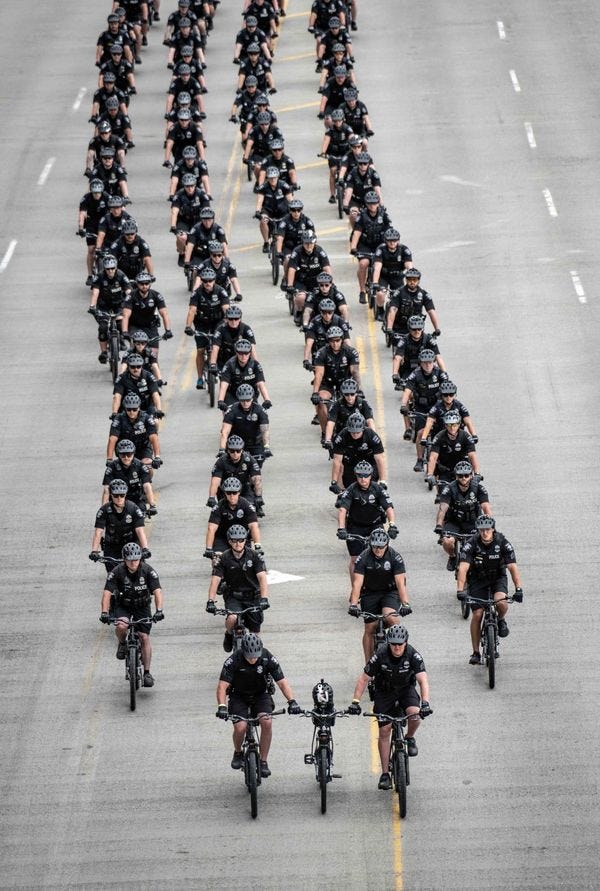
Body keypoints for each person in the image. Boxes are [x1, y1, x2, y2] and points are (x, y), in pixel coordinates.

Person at [347, 625, 432, 789]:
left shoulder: (413, 654)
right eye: (393, 644)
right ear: (389, 643)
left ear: (406, 643)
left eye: (400, 644)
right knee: (385, 730)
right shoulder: (380, 654)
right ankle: (385, 774)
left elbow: (423, 680)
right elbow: (364, 679)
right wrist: (355, 702)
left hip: (405, 690)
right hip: (384, 692)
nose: (397, 647)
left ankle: (409, 737)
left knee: (415, 714)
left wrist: (425, 703)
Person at [215, 633, 301, 778]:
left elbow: (282, 682)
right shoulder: (233, 660)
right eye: (249, 656)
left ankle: (263, 761)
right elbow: (222, 687)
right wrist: (222, 706)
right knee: (240, 726)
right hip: (239, 696)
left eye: (255, 656)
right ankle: (238, 752)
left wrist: (292, 701)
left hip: (261, 694)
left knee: (266, 722)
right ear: (243, 652)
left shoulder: (267, 657)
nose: (253, 659)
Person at [457, 516, 524, 663]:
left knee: (501, 603)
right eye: (481, 530)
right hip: (477, 580)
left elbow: (512, 566)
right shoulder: (471, 544)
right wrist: (460, 590)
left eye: (487, 529)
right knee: (477, 614)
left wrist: (518, 588)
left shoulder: (502, 542)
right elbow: (463, 567)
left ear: (493, 529)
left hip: (497, 578)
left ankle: (500, 619)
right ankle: (475, 652)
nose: (484, 533)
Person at [99, 542, 163, 687]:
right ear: (124, 559)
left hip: (142, 606)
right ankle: (122, 644)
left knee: (144, 637)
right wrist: (104, 612)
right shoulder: (116, 572)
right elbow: (107, 593)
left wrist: (159, 610)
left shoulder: (148, 571)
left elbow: (157, 592)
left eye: (136, 559)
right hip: (123, 606)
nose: (133, 563)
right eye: (130, 560)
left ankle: (147, 673)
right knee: (121, 626)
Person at [347, 528, 411, 661]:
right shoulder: (363, 558)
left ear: (387, 545)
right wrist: (353, 604)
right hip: (369, 593)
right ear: (371, 545)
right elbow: (357, 583)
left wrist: (405, 603)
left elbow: (400, 583)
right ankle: (369, 665)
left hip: (390, 592)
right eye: (375, 546)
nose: (378, 550)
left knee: (392, 618)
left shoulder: (395, 557)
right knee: (370, 628)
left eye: (381, 547)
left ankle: (399, 654)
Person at [206, 525, 268, 651]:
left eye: (241, 540)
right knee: (232, 618)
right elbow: (215, 580)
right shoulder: (224, 558)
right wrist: (210, 601)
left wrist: (264, 598)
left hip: (253, 597)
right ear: (229, 541)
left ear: (245, 540)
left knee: (255, 634)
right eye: (234, 540)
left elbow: (262, 578)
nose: (238, 543)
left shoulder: (254, 556)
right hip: (234, 596)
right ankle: (228, 634)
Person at [337, 461, 397, 580]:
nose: (363, 479)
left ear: (371, 475)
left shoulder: (377, 489)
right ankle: (356, 588)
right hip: (355, 527)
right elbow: (342, 510)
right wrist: (341, 528)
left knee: (380, 554)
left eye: (366, 476)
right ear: (356, 476)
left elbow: (389, 508)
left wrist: (392, 525)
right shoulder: (351, 489)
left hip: (375, 525)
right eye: (360, 476)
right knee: (355, 559)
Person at [435, 461, 491, 571]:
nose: (463, 478)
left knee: (484, 544)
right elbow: (443, 508)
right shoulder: (449, 489)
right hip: (453, 522)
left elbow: (486, 507)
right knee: (447, 541)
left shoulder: (479, 488)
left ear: (471, 475)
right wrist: (439, 525)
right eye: (460, 476)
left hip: (473, 521)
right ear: (456, 476)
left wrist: (490, 523)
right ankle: (452, 557)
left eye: (466, 475)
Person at [184, 266, 229, 388]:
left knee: (218, 346)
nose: (207, 283)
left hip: (217, 322)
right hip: (201, 323)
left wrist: (229, 322)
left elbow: (226, 309)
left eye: (210, 281)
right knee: (200, 350)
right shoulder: (197, 293)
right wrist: (188, 326)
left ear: (214, 280)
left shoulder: (221, 291)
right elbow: (192, 311)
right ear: (202, 281)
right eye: (205, 281)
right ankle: (199, 378)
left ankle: (218, 366)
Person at [400, 349, 445, 470]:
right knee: (420, 433)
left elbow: (448, 389)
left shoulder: (439, 373)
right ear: (420, 363)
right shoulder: (416, 375)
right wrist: (404, 405)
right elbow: (407, 391)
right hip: (421, 407)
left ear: (434, 362)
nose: (428, 365)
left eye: (430, 362)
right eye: (425, 362)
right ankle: (420, 459)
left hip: (437, 407)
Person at [89, 479, 149, 565]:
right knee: (111, 574)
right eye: (116, 496)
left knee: (137, 569)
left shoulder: (133, 508)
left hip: (131, 545)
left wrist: (145, 548)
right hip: (112, 545)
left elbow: (140, 531)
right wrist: (94, 551)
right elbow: (98, 531)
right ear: (111, 495)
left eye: (122, 495)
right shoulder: (104, 510)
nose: (119, 498)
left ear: (125, 494)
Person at [312, 327, 360, 434]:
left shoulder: (350, 352)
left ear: (342, 340)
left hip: (345, 383)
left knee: (354, 402)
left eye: (337, 340)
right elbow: (319, 373)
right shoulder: (322, 353)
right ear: (328, 341)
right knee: (320, 400)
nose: (335, 343)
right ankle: (325, 432)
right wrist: (315, 392)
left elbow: (355, 372)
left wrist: (359, 389)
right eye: (332, 341)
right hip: (327, 383)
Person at [349, 193, 393, 304]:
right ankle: (362, 291)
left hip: (380, 244)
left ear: (378, 203)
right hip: (365, 245)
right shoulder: (362, 216)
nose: (372, 206)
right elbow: (357, 232)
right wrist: (353, 247)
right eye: (370, 204)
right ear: (366, 204)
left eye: (374, 203)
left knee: (382, 264)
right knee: (363, 263)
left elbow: (390, 232)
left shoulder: (383, 215)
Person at [204, 477, 261, 557]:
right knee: (217, 560)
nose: (231, 496)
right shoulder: (218, 507)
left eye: (234, 493)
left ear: (239, 492)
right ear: (225, 493)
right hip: (222, 538)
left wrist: (257, 546)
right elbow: (211, 528)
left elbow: (254, 526)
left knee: (247, 560)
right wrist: (208, 548)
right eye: (228, 493)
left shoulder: (247, 506)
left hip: (241, 538)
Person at [285, 230, 332, 322]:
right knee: (301, 298)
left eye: (311, 243)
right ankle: (298, 311)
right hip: (301, 281)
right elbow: (292, 269)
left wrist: (330, 283)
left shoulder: (320, 251)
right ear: (303, 242)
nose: (309, 245)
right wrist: (290, 285)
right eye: (306, 243)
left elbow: (327, 267)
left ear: (315, 242)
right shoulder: (297, 251)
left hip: (316, 280)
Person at [208, 435, 263, 513]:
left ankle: (256, 507)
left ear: (242, 450)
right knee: (224, 513)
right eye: (232, 451)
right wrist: (211, 497)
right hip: (227, 491)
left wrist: (259, 496)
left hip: (244, 489)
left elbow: (257, 478)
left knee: (251, 510)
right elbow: (215, 481)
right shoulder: (221, 461)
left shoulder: (250, 460)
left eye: (238, 451)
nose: (235, 453)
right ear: (228, 450)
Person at [330, 411, 385, 490]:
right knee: (347, 490)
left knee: (371, 489)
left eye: (357, 432)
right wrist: (334, 482)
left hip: (369, 464)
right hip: (351, 463)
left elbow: (380, 459)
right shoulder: (342, 436)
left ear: (363, 429)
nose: (355, 435)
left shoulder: (371, 435)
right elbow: (337, 460)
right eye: (352, 432)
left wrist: (383, 480)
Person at [121, 271, 172, 355]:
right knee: (135, 352)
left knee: (154, 357)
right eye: (141, 284)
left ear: (150, 284)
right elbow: (126, 315)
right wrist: (125, 332)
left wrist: (168, 330)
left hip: (150, 326)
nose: (144, 286)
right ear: (137, 284)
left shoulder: (156, 295)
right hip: (135, 326)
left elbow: (164, 313)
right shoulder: (131, 296)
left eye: (146, 283)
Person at [107, 391, 161, 468]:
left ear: (139, 408)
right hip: (125, 448)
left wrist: (157, 457)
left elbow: (154, 438)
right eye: (129, 409)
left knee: (147, 467)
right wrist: (109, 459)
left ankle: (146, 479)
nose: (131, 412)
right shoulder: (118, 419)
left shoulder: (146, 418)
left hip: (143, 447)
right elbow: (112, 439)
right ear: (125, 408)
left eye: (134, 409)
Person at [426, 410, 479, 487]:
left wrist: (477, 473)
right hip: (445, 468)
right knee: (442, 493)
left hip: (462, 469)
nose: (452, 428)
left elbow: (473, 456)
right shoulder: (439, 437)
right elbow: (433, 457)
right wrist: (430, 474)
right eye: (449, 425)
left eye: (454, 425)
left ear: (459, 424)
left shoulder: (465, 436)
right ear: (445, 425)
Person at [102, 437, 156, 513]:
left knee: (141, 518)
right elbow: (106, 489)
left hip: (136, 499)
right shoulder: (112, 467)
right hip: (117, 498)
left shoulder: (141, 466)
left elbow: (147, 486)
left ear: (133, 454)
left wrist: (152, 504)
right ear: (118, 454)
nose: (126, 457)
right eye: (123, 455)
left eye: (129, 454)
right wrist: (104, 507)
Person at [385, 268, 440, 341]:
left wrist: (437, 328)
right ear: (406, 280)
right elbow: (393, 310)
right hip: (399, 326)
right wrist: (389, 328)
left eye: (415, 280)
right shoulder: (399, 293)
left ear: (418, 280)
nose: (412, 282)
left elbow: (431, 311)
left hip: (416, 326)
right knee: (397, 346)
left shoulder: (424, 294)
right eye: (409, 280)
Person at [219, 384, 271, 460]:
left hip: (255, 443)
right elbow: (225, 432)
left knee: (257, 467)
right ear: (238, 399)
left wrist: (266, 447)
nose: (245, 403)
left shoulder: (260, 410)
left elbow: (265, 430)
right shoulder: (231, 410)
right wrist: (222, 449)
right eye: (242, 400)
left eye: (248, 400)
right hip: (236, 443)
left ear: (252, 398)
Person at [392, 316, 445, 386]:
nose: (417, 331)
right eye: (414, 329)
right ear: (409, 329)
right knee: (408, 390)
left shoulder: (429, 339)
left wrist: (444, 373)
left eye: (419, 328)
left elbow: (438, 357)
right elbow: (397, 358)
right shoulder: (404, 340)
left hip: (427, 367)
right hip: (408, 368)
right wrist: (395, 374)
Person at [217, 339, 271, 408]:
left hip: (250, 394)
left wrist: (267, 400)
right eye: (241, 353)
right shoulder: (229, 364)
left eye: (246, 353)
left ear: (250, 353)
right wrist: (220, 400)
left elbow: (261, 383)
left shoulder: (255, 365)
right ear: (236, 352)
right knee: (228, 414)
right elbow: (224, 384)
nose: (243, 356)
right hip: (232, 394)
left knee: (257, 415)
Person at [324, 377, 374, 445]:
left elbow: (370, 421)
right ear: (343, 394)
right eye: (346, 394)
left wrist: (372, 437)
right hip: (341, 436)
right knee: (334, 454)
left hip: (360, 435)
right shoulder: (336, 405)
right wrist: (328, 440)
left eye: (352, 394)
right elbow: (330, 423)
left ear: (356, 393)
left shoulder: (363, 404)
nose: (349, 397)